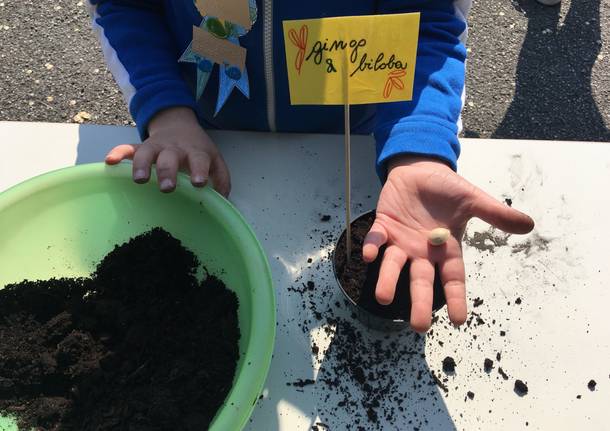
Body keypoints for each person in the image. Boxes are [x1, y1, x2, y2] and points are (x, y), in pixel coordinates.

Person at [89, 0, 535, 333]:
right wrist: (166, 111)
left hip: (353, 139)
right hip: (207, 136)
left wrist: (418, 146)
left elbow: (432, 25)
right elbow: (124, 5)